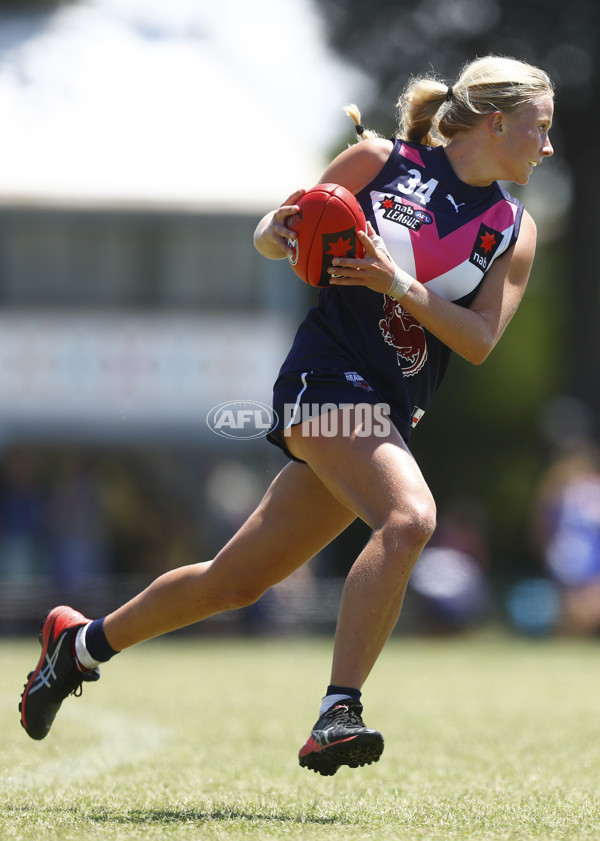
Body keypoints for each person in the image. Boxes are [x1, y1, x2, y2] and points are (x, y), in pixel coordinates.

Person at [19, 55, 554, 776]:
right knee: (411, 518)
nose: (547, 147)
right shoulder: (380, 159)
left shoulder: (513, 228)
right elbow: (274, 236)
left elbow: (481, 340)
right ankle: (340, 709)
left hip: (389, 413)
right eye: (539, 128)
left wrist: (393, 279)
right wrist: (283, 225)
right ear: (496, 122)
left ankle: (76, 647)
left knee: (234, 581)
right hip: (325, 382)